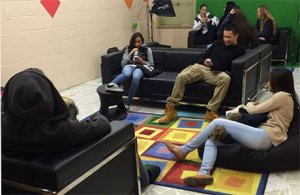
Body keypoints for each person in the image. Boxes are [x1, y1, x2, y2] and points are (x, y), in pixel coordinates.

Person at [1, 68, 160, 191]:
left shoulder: (4, 128)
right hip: (76, 176)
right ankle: (143, 180)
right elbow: (103, 124)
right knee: (127, 136)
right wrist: (80, 117)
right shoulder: (62, 131)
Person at [165, 67, 299, 187]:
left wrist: (252, 105)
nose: (268, 83)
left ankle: (184, 150)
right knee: (213, 139)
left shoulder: (282, 96)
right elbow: (257, 107)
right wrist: (255, 105)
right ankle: (204, 173)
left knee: (218, 123)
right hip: (263, 135)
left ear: (276, 83)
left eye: (270, 80)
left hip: (266, 137)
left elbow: (251, 109)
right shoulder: (284, 97)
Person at [158, 24, 245, 123]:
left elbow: (230, 67)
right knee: (181, 76)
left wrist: (214, 64)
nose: (225, 39)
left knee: (225, 79)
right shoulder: (217, 44)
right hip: (201, 67)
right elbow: (202, 57)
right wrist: (205, 61)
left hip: (216, 72)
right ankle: (171, 110)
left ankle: (211, 111)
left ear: (236, 36)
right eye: (224, 36)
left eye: (228, 37)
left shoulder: (239, 51)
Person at [105, 32, 155, 110]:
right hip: (129, 65)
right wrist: (130, 53)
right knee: (127, 74)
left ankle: (128, 102)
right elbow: (123, 64)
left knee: (135, 77)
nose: (137, 44)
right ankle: (111, 84)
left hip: (140, 67)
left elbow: (151, 64)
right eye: (135, 42)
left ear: (142, 41)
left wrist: (142, 61)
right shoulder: (128, 48)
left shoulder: (147, 50)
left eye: (139, 42)